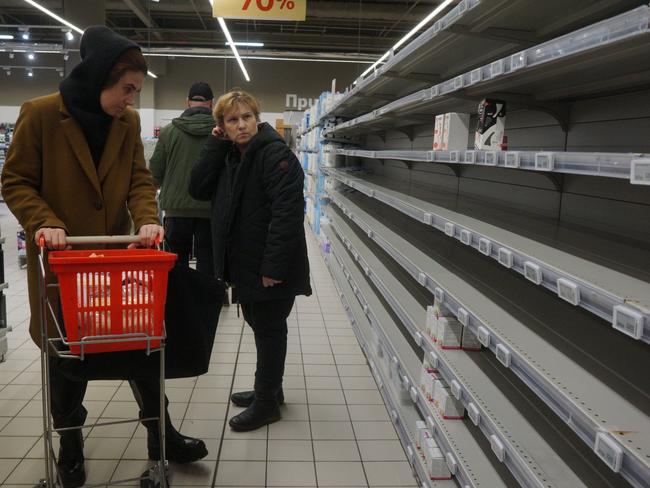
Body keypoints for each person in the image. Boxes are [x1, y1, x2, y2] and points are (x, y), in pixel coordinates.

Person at [1, 26, 207, 488]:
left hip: (114, 263)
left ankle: (163, 437)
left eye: (136, 90)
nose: (131, 99)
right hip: (61, 265)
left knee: (141, 346)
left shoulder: (126, 124)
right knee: (67, 359)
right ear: (98, 77)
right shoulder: (39, 115)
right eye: (127, 88)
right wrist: (44, 221)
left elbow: (138, 178)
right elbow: (15, 181)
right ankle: (70, 443)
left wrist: (148, 218)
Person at [190, 90, 312, 431]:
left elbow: (287, 215)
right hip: (246, 260)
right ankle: (270, 389)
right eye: (232, 120)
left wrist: (273, 268)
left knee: (270, 328)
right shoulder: (231, 155)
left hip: (269, 266)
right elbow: (197, 188)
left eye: (246, 117)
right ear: (222, 127)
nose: (241, 125)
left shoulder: (275, 156)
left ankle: (267, 402)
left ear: (256, 119)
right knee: (261, 326)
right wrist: (214, 146)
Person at [149, 82, 215, 275]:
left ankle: (180, 302)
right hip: (210, 209)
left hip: (176, 210)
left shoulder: (169, 131)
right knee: (208, 261)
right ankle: (207, 301)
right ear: (212, 103)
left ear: (187, 102)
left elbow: (155, 171)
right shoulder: (221, 132)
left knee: (177, 262)